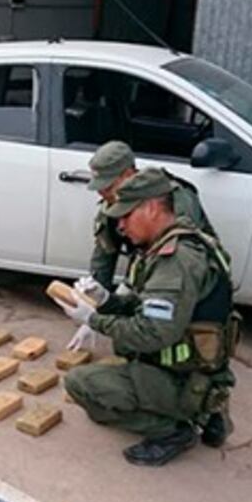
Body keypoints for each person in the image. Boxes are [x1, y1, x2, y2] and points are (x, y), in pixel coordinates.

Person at [54, 168, 239, 467]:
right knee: (122, 347)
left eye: (127, 216)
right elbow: (150, 307)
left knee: (81, 384)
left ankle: (175, 429)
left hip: (184, 377)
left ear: (152, 208)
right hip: (196, 369)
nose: (121, 226)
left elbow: (153, 333)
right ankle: (207, 411)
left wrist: (94, 320)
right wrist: (107, 300)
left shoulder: (175, 260)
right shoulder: (181, 242)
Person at [72, 140, 217, 352]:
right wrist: (94, 303)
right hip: (149, 268)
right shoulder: (111, 205)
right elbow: (104, 256)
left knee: (154, 333)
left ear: (128, 174)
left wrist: (99, 319)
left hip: (187, 280)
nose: (102, 192)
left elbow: (180, 256)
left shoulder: (172, 198)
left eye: (108, 185)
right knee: (126, 335)